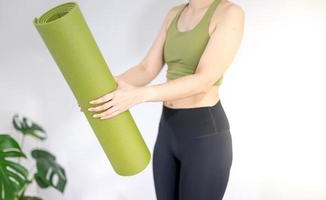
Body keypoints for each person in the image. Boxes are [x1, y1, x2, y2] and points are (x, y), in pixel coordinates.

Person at [83, 0, 244, 199]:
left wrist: (140, 95)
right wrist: (103, 91)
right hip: (168, 131)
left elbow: (204, 80)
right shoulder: (174, 14)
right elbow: (146, 68)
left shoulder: (229, 13)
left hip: (204, 137)